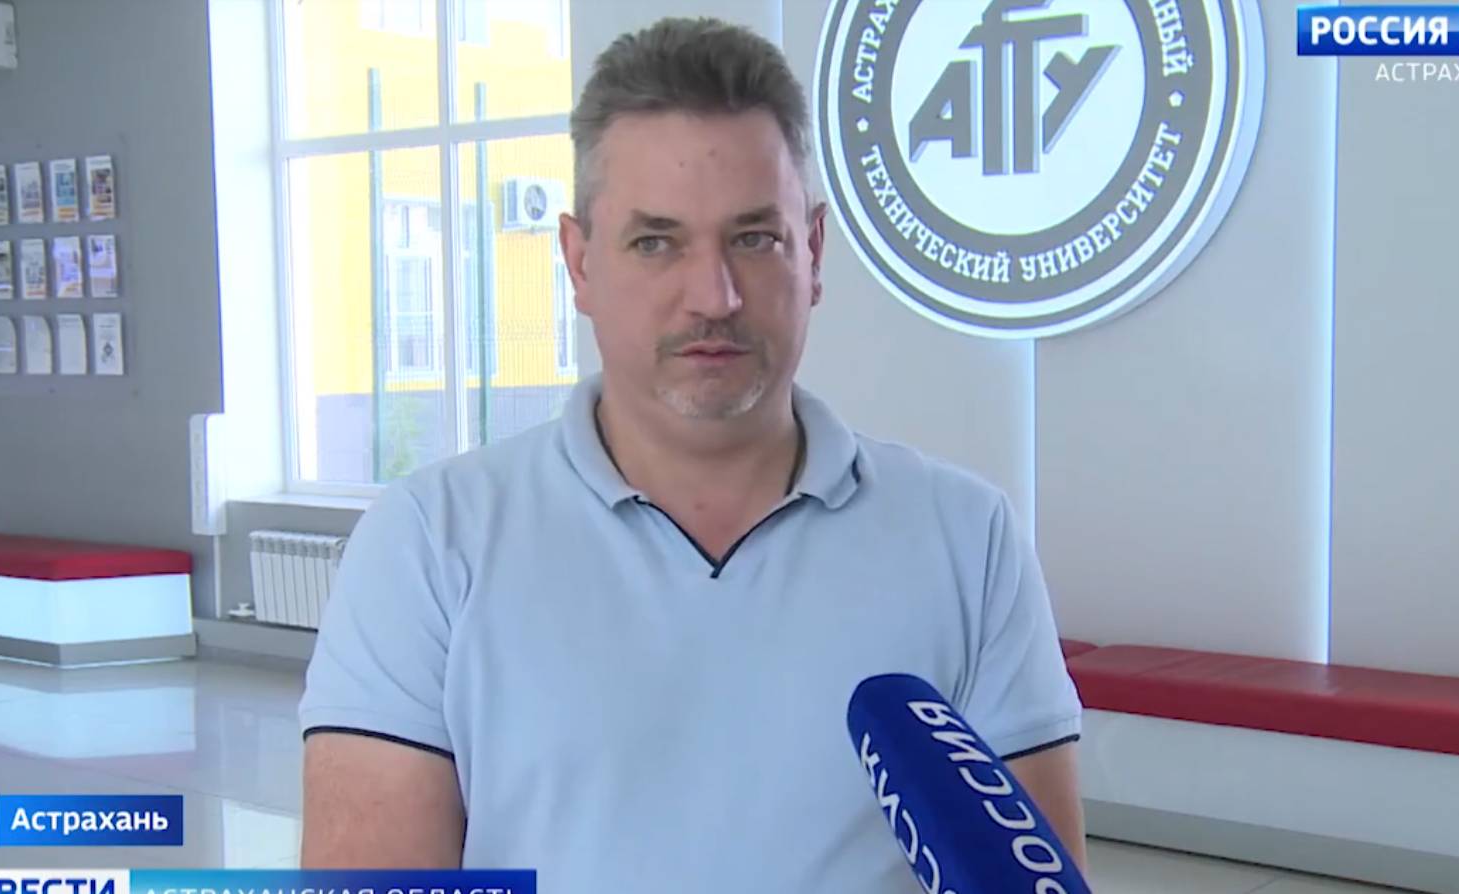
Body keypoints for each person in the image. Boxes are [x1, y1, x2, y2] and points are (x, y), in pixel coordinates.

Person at [299, 16, 1086, 892]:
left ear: (812, 251)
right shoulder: (427, 543)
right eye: (656, 242)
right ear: (579, 262)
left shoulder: (968, 538)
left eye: (754, 238)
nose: (713, 296)